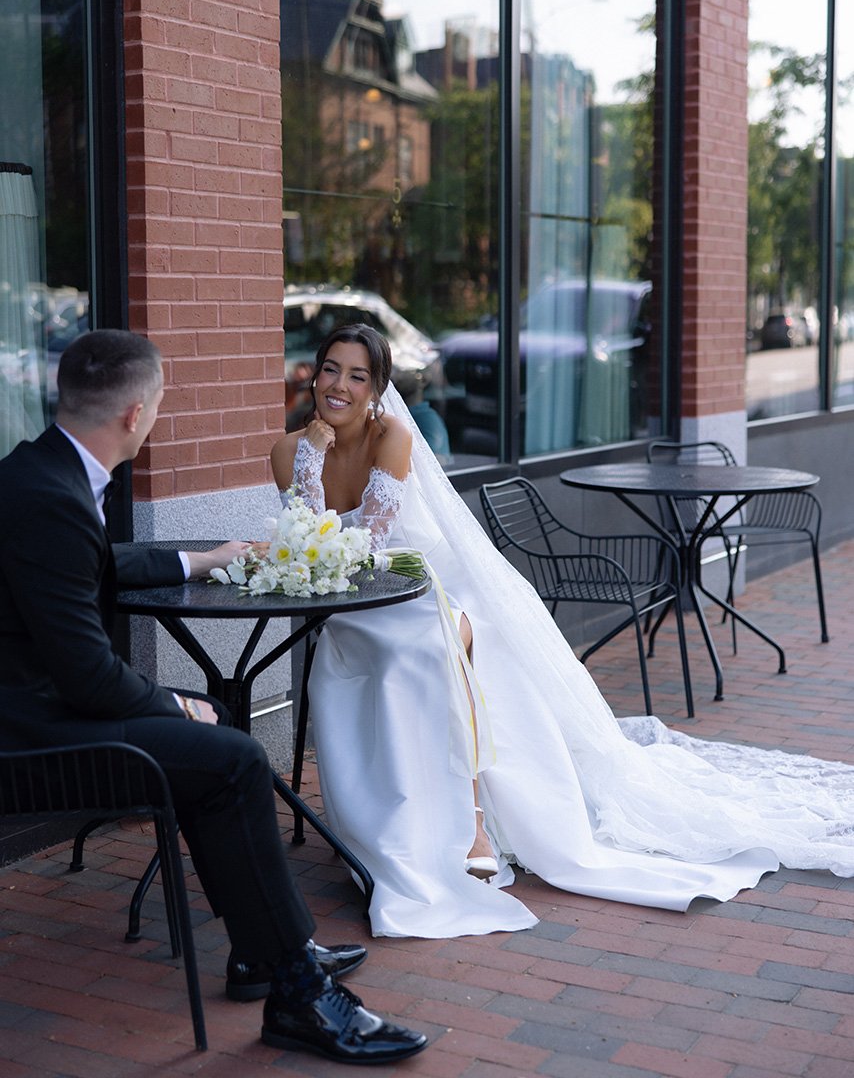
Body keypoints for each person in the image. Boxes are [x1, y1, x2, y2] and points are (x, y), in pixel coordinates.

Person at [271, 322, 854, 940]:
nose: (339, 385)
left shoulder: (394, 439)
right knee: (389, 649)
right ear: (315, 372)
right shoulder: (287, 452)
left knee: (433, 640)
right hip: (352, 603)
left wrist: (322, 492)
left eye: (357, 375)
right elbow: (313, 539)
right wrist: (312, 451)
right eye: (331, 368)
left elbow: (375, 539)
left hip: (425, 583)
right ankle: (377, 825)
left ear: (378, 387)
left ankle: (470, 820)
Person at [0, 329, 428, 1064]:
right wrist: (172, 706)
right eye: (161, 403)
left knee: (221, 731)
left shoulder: (38, 472)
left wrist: (200, 558)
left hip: (38, 706)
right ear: (136, 415)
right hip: (29, 736)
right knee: (229, 755)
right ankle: (299, 992)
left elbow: (89, 567)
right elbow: (91, 679)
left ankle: (260, 952)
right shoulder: (52, 500)